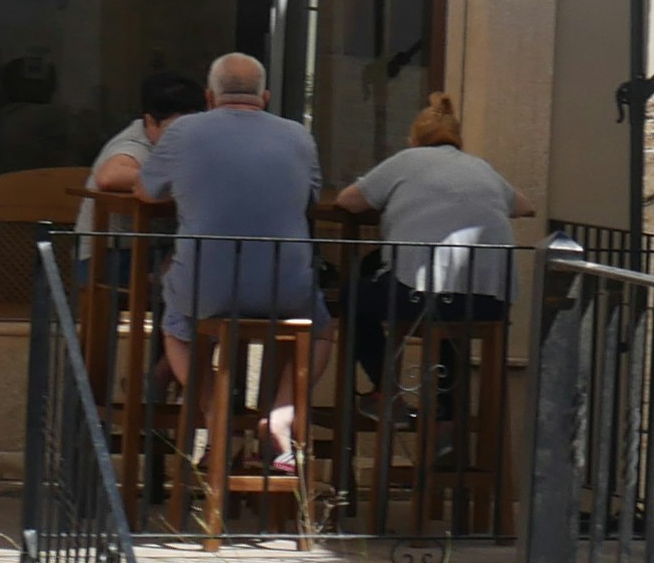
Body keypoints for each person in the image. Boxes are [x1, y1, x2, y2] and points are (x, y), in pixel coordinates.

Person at [142, 52, 323, 465]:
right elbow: (311, 197)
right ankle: (280, 412)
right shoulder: (299, 135)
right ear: (267, 96)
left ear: (209, 96)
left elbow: (146, 191)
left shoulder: (183, 131)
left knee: (175, 324)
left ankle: (213, 413)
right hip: (286, 284)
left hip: (208, 282)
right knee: (323, 332)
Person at [334, 93, 519, 392]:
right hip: (489, 303)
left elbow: (349, 201)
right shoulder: (481, 167)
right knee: (446, 305)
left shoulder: (407, 160)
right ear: (458, 140)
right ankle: (446, 420)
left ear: (414, 139)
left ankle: (387, 390)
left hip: (419, 299)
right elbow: (523, 206)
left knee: (353, 296)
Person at [85, 71, 210, 231]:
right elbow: (108, 177)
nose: (185, 137)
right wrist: (174, 180)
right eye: (175, 129)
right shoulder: (135, 142)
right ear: (150, 122)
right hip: (114, 250)